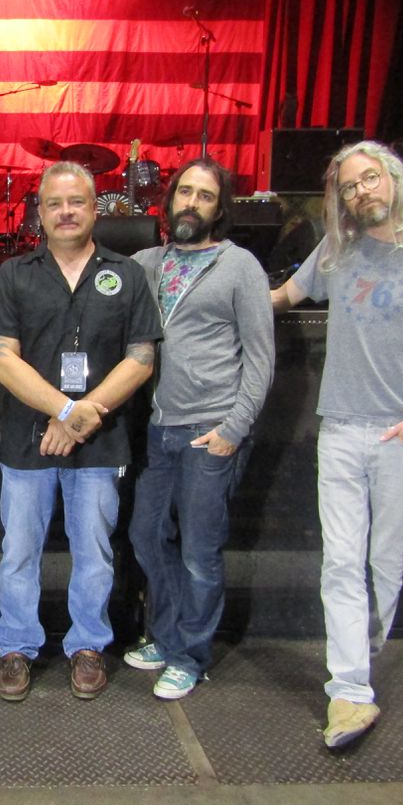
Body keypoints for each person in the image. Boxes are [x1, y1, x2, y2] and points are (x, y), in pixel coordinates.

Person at [271, 140, 403, 748]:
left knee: (384, 562)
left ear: (394, 178)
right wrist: (213, 290)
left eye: (369, 178)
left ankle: (360, 658)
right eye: (349, 187)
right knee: (340, 563)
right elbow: (283, 297)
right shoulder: (338, 250)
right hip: (340, 429)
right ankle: (351, 691)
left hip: (401, 435)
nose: (361, 192)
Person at [0, 161, 159, 701]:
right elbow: (2, 360)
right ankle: (16, 646)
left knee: (94, 553)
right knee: (20, 551)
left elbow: (141, 358)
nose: (66, 212)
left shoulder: (126, 274)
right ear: (39, 212)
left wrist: (86, 415)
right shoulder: (14, 275)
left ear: (95, 209)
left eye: (77, 202)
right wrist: (66, 411)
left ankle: (87, 645)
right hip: (27, 440)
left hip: (101, 442)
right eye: (55, 203)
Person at [126, 157, 274, 699]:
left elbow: (261, 358)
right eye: (184, 192)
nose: (192, 203)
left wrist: (234, 429)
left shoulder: (240, 267)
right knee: (146, 536)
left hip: (211, 429)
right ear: (169, 201)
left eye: (205, 195)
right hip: (158, 428)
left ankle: (190, 656)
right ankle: (167, 638)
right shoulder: (145, 263)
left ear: (219, 208)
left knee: (198, 552)